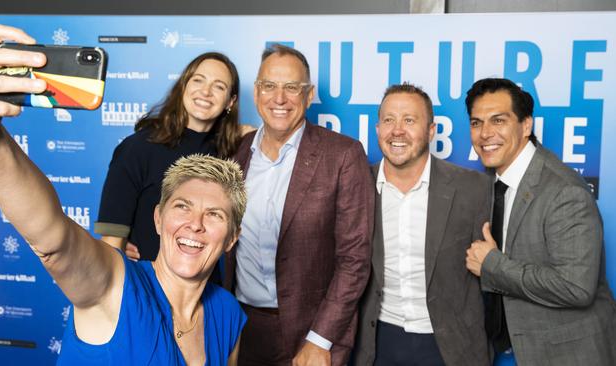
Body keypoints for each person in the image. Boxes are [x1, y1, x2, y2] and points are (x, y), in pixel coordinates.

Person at [0, 25, 246, 366]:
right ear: (158, 217)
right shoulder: (116, 290)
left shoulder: (227, 313)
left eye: (214, 214)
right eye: (182, 206)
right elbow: (54, 238)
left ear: (233, 237)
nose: (195, 224)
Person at [222, 44, 374, 365]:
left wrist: (319, 339)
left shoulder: (343, 155)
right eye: (269, 86)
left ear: (308, 95)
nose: (279, 98)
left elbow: (354, 260)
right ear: (256, 91)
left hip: (312, 333)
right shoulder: (236, 152)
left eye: (291, 87)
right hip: (241, 326)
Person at [464, 77, 616, 365]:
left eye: (498, 120)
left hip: (568, 354)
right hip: (514, 349)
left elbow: (576, 287)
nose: (485, 133)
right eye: (476, 123)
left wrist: (492, 265)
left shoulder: (563, 190)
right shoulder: (489, 183)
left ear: (526, 126)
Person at [352, 84, 492, 366]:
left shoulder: (473, 188)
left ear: (430, 131)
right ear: (378, 129)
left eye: (409, 120)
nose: (397, 130)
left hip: (451, 346)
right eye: (389, 120)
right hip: (378, 343)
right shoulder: (356, 185)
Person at [95, 50, 250, 261]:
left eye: (219, 86)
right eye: (198, 80)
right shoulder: (138, 148)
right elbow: (111, 242)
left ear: (230, 101)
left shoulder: (231, 153)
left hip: (206, 288)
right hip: (147, 284)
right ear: (183, 87)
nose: (206, 91)